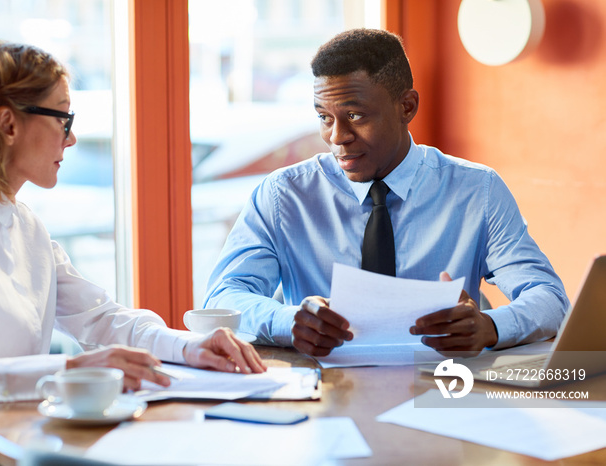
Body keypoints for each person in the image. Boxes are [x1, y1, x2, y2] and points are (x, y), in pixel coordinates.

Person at [0, 40, 265, 465]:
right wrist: (67, 372)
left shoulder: (25, 225)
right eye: (63, 117)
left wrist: (192, 347)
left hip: (20, 435)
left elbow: (100, 319)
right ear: (8, 124)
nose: (72, 137)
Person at [203, 28, 569, 358]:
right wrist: (289, 320)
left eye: (356, 116)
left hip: (443, 390)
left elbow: (550, 298)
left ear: (406, 107)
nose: (337, 137)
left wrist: (491, 327)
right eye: (324, 117)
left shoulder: (477, 191)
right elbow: (223, 297)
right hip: (323, 394)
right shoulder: (284, 195)